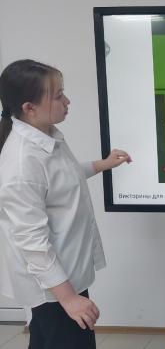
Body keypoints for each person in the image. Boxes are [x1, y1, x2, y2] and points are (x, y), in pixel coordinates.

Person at [0, 59, 131, 348]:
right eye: (58, 96)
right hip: (53, 288)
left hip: (66, 275)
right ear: (28, 108)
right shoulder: (22, 162)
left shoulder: (46, 136)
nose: (67, 100)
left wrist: (102, 164)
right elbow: (31, 241)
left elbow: (62, 178)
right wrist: (70, 299)